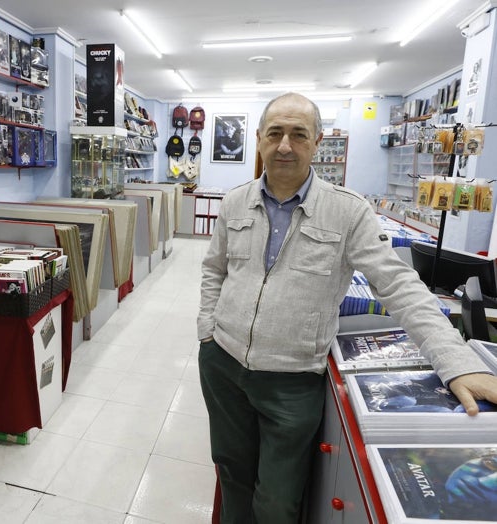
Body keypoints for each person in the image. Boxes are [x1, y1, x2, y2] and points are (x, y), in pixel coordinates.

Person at [197, 92, 497, 524]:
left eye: (298, 135)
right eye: (276, 133)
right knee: (231, 474)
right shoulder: (235, 201)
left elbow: (400, 287)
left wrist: (458, 362)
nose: (285, 145)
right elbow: (213, 270)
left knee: (277, 502)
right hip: (223, 366)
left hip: (293, 380)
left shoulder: (347, 211)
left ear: (317, 141)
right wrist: (207, 331)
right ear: (260, 138)